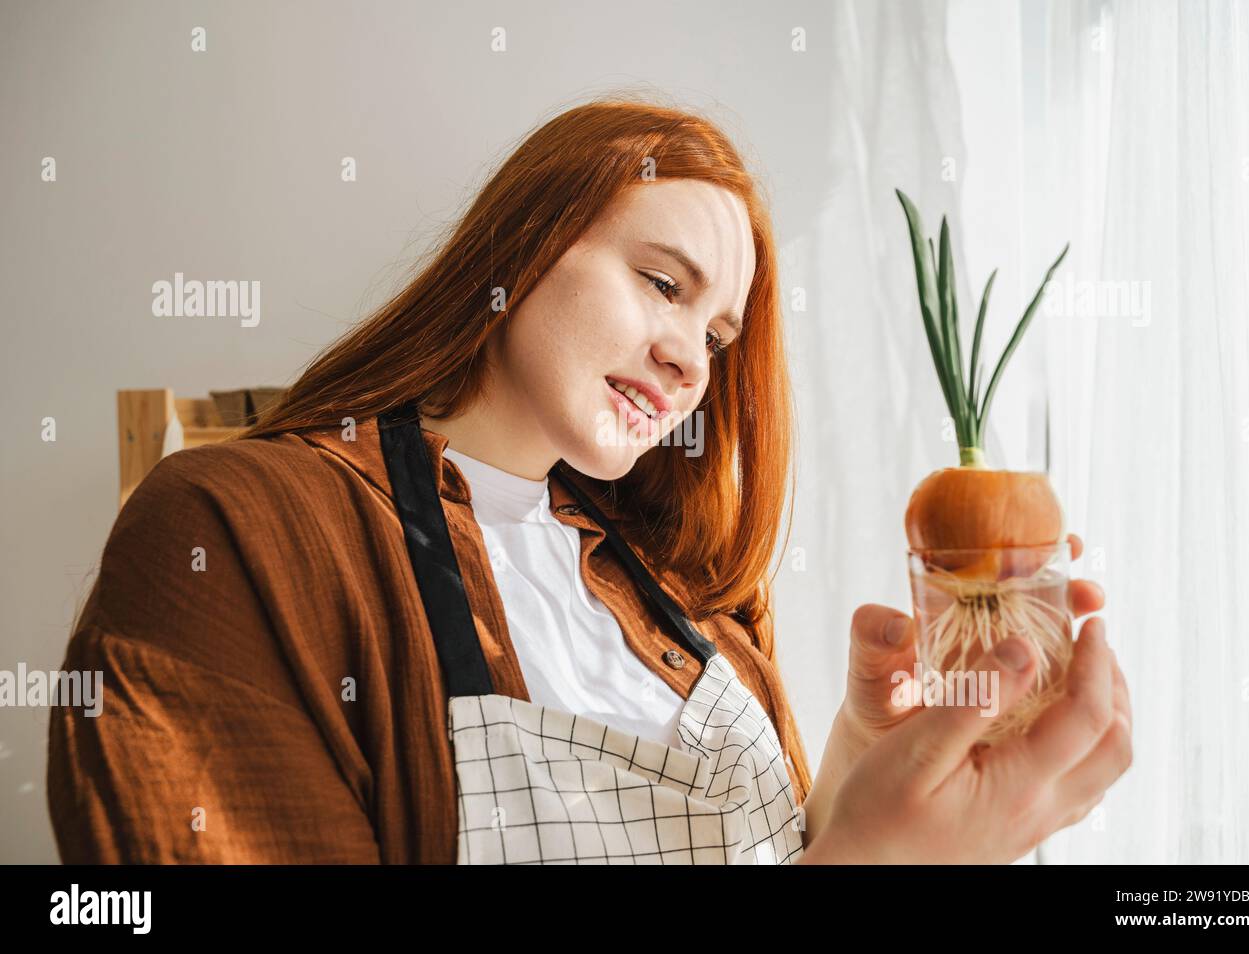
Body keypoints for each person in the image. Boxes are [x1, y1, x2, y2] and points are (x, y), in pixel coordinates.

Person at [47, 97, 1129, 865]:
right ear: (517, 248)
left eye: (716, 335)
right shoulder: (238, 528)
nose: (688, 363)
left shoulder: (679, 598)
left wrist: (858, 762)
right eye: (661, 284)